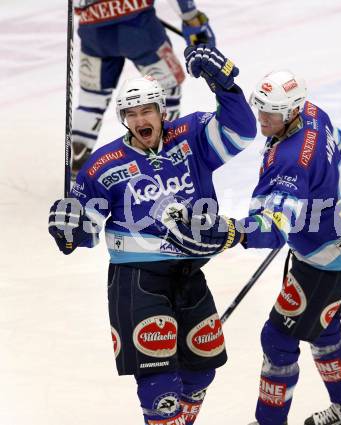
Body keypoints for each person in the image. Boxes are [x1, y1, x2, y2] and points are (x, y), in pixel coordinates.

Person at [48, 45, 256, 425]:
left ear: (162, 111)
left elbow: (241, 131)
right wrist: (68, 229)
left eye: (147, 110)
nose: (140, 119)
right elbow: (84, 231)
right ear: (124, 118)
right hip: (137, 280)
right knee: (159, 387)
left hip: (189, 274)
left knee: (201, 370)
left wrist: (225, 86)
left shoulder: (191, 136)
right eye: (131, 113)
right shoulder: (102, 165)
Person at [165, 70, 341, 425]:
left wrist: (232, 231)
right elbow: (338, 141)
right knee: (322, 326)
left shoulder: (290, 163)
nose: (262, 118)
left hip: (326, 257)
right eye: (259, 109)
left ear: (292, 110)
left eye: (271, 113)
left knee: (277, 338)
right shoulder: (314, 113)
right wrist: (324, 179)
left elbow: (274, 227)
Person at [71, 0, 216, 178]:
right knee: (167, 90)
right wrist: (192, 19)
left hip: (93, 32)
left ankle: (77, 164)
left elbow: (77, 7)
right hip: (139, 28)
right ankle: (166, 155)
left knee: (92, 99)